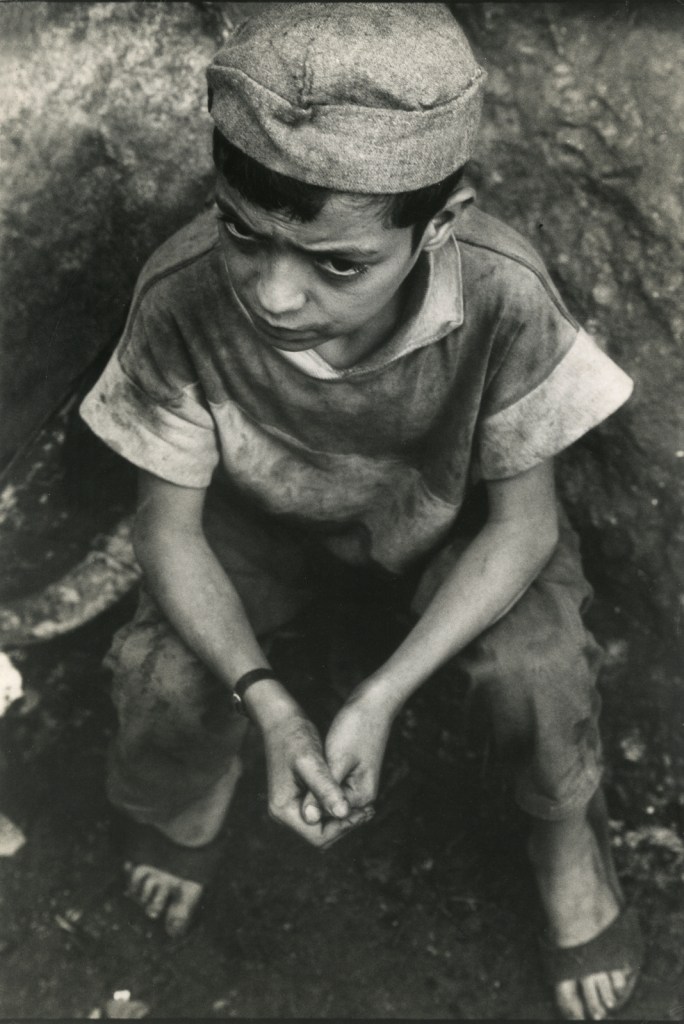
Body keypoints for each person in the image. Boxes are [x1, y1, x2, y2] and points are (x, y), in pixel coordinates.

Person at [80, 4, 644, 1018]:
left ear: (440, 220)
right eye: (245, 236)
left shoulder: (504, 295)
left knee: (539, 669)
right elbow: (168, 530)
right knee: (166, 672)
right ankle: (194, 777)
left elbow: (524, 527)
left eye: (336, 263)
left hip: (448, 531)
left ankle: (564, 834)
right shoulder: (183, 293)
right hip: (261, 532)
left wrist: (379, 698)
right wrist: (268, 697)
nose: (277, 293)